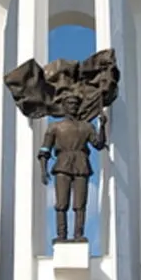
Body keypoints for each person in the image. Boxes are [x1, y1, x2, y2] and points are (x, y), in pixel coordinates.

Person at [39, 92, 107, 242]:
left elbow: (99, 144)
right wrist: (43, 170)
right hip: (62, 164)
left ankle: (78, 234)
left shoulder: (87, 127)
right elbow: (45, 150)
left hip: (81, 164)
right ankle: (61, 235)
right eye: (70, 104)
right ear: (64, 106)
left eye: (76, 104)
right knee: (61, 202)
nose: (73, 107)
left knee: (80, 203)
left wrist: (102, 126)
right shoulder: (55, 127)